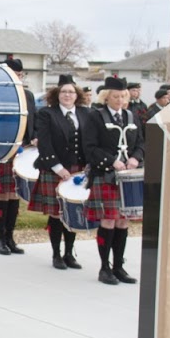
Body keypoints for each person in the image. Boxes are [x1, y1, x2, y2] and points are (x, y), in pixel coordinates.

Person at [29, 74, 96, 270]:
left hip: (79, 170)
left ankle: (69, 253)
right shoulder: (47, 114)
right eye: (64, 91)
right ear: (57, 94)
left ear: (77, 95)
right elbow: (45, 144)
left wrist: (88, 166)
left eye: (71, 92)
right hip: (55, 169)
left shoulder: (86, 113)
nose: (67, 95)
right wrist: (58, 168)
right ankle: (56, 254)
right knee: (58, 214)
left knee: (73, 210)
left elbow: (91, 141)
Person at [82, 76, 144, 285]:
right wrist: (112, 161)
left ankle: (118, 266)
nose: (120, 100)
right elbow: (89, 148)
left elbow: (141, 144)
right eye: (116, 96)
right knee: (107, 220)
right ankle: (104, 267)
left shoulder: (131, 116)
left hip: (128, 178)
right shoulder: (95, 117)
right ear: (106, 97)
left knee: (123, 221)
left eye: (123, 96)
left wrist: (135, 158)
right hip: (105, 175)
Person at [0, 58, 36, 255]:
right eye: (14, 74)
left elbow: (33, 124)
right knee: (2, 195)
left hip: (22, 151)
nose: (18, 78)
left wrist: (35, 140)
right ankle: (0, 239)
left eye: (20, 75)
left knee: (15, 195)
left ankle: (10, 237)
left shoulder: (28, 95)